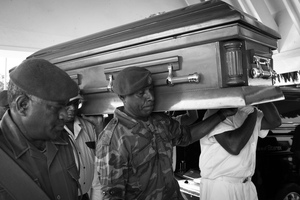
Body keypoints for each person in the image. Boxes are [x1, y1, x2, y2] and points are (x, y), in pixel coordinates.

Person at [95, 66, 237, 200]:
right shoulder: (113, 139)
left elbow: (187, 136)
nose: (150, 97)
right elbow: (113, 195)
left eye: (150, 89)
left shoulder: (160, 121)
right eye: (141, 93)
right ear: (123, 97)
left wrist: (221, 115)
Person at [0, 58, 80, 200]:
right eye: (57, 108)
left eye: (65, 106)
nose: (64, 115)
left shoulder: (62, 140)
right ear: (23, 105)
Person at [199, 103, 282, 200]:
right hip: (222, 186)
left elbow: (275, 122)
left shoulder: (247, 111)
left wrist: (261, 97)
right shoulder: (215, 112)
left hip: (246, 184)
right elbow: (233, 146)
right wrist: (253, 112)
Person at [64, 93, 102, 200]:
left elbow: (96, 167)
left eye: (75, 104)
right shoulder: (51, 132)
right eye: (68, 104)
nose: (72, 108)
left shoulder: (88, 127)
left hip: (86, 195)